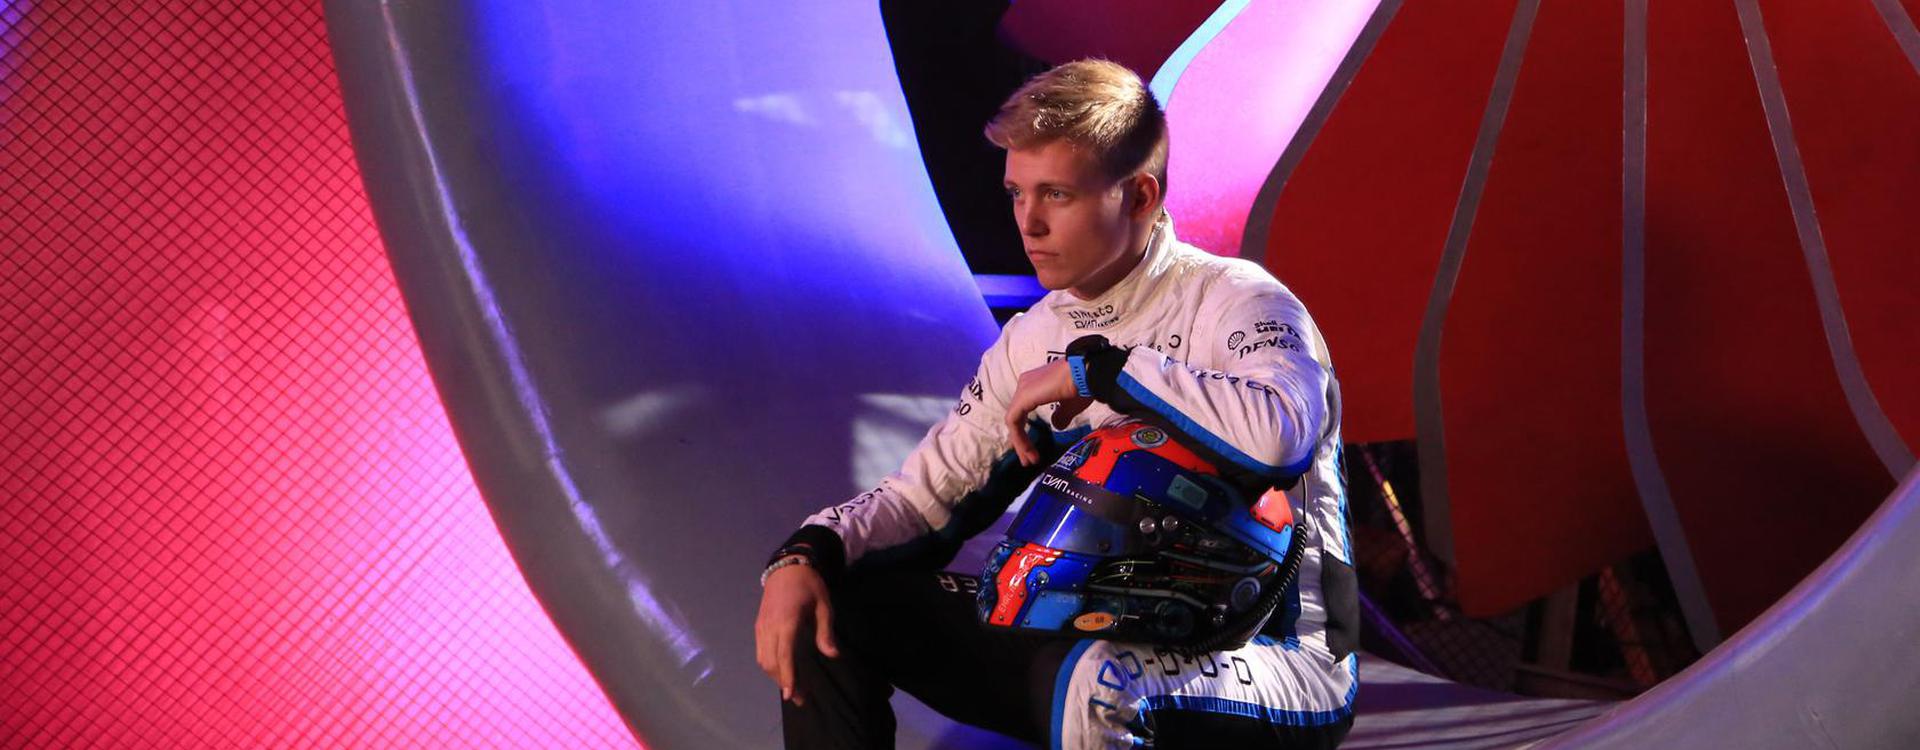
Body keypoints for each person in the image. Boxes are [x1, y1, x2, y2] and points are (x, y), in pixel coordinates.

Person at [754, 59, 1357, 749]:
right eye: (1017, 193)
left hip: (1279, 654)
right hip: (1100, 625)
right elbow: (923, 501)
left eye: (1057, 195)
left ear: (1140, 196)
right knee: (833, 609)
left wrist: (1101, 373)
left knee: (1098, 683)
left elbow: (1280, 437)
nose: (1029, 223)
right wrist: (809, 551)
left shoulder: (1240, 300)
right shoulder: (1032, 340)